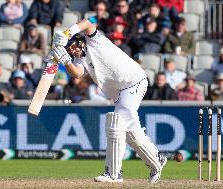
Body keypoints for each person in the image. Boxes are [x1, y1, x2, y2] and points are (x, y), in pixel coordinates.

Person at [50, 18, 167, 183]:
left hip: (133, 81)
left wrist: (67, 32)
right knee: (129, 131)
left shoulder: (94, 40)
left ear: (78, 40)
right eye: (70, 50)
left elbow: (88, 23)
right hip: (120, 92)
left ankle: (113, 173)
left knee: (116, 121)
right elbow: (76, 74)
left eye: (73, 46)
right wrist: (67, 61)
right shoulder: (79, 59)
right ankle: (156, 159)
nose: (73, 51)